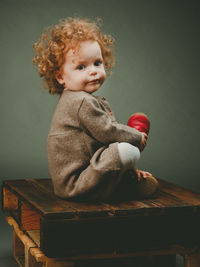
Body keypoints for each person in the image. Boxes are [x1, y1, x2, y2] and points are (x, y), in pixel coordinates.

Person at [33, 17, 159, 201]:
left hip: (80, 176)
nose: (93, 71)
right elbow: (107, 132)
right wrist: (136, 137)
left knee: (122, 151)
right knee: (126, 150)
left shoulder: (76, 98)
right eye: (81, 66)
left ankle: (123, 180)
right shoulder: (80, 102)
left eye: (97, 63)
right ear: (60, 76)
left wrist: (129, 166)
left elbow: (98, 143)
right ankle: (122, 181)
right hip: (77, 183)